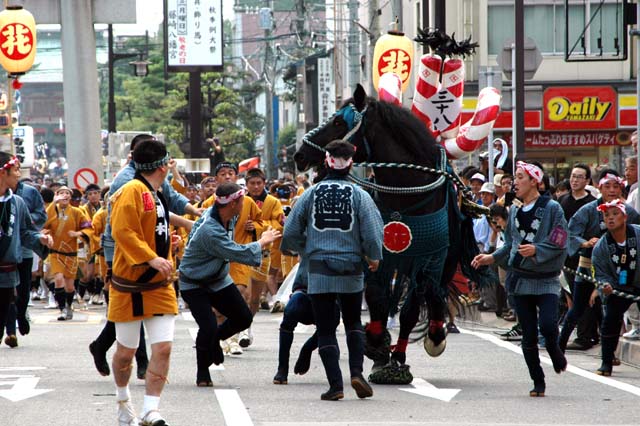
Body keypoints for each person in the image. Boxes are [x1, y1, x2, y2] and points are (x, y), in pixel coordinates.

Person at [89, 134, 199, 381]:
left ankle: (132, 358)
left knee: (140, 305)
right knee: (131, 302)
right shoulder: (128, 184)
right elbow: (123, 230)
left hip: (150, 249)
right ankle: (134, 361)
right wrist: (151, 257)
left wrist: (193, 214)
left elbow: (167, 203)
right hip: (119, 247)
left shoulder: (154, 182)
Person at [281, 140, 384, 401]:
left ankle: (335, 386)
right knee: (352, 323)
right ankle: (357, 372)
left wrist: (305, 249)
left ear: (327, 161)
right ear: (351, 162)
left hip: (318, 269)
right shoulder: (360, 195)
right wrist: (374, 258)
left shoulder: (311, 194)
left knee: (326, 328)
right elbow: (373, 234)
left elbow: (291, 232)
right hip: (351, 267)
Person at [472, 160, 568, 397]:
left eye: (520, 177)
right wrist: (490, 258)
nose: (515, 182)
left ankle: (555, 350)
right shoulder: (513, 210)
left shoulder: (552, 207)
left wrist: (538, 250)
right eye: (515, 177)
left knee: (547, 325)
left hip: (545, 279)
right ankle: (538, 380)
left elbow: (561, 238)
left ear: (534, 181)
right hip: (521, 279)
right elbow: (511, 246)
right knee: (528, 333)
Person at [179, 182, 281, 386]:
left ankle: (215, 341)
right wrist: (263, 241)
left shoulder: (228, 216)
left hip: (217, 277)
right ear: (233, 203)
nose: (244, 204)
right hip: (193, 282)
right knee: (207, 326)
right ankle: (202, 372)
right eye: (242, 200)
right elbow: (236, 252)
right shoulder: (210, 228)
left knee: (243, 317)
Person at [108, 138, 179, 426]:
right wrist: (152, 258)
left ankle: (151, 409)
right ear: (163, 166)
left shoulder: (155, 191)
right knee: (126, 353)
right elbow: (122, 231)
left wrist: (165, 246)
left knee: (163, 347)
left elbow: (149, 228)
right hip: (131, 285)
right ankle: (123, 399)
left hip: (159, 284)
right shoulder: (133, 190)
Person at [559, 169, 640, 352]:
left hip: (620, 267)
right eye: (607, 186)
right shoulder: (589, 210)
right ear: (599, 187)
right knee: (578, 306)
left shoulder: (628, 211)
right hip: (588, 264)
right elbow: (571, 232)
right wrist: (585, 242)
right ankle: (560, 344)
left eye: (616, 186)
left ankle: (609, 353)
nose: (612, 190)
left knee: (613, 308)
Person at [201, 162, 264, 353]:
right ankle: (223, 337)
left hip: (239, 255)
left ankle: (235, 337)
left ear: (236, 177)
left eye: (231, 173)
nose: (227, 176)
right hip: (216, 258)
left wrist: (256, 228)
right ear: (216, 178)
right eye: (222, 174)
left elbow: (261, 221)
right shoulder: (208, 204)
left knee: (240, 293)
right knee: (219, 303)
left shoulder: (248, 202)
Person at [0, 153, 52, 346]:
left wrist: (41, 238)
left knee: (15, 297)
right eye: (15, 169)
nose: (18, 173)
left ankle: (16, 322)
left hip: (11, 263)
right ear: (2, 172)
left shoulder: (19, 201)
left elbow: (28, 230)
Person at [591, 199, 640, 376]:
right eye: (606, 215)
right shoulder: (601, 247)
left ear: (625, 217)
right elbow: (600, 272)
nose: (610, 218)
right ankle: (606, 362)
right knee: (610, 320)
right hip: (618, 287)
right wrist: (605, 285)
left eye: (615, 214)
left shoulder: (638, 234)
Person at [43, 185, 92, 321]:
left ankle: (69, 305)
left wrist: (78, 233)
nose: (64, 195)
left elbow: (88, 227)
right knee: (58, 280)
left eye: (67, 193)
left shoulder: (77, 212)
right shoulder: (51, 210)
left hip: (71, 252)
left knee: (70, 286)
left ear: (70, 197)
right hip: (56, 252)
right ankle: (62, 308)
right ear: (56, 195)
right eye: (61, 193)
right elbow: (44, 224)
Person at [245, 167, 285, 312]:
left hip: (265, 253)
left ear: (264, 183)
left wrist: (256, 226)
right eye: (252, 183)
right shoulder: (240, 200)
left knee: (255, 298)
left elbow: (279, 225)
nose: (256, 187)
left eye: (259, 183)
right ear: (246, 184)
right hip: (244, 251)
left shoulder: (273, 202)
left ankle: (247, 325)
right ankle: (243, 329)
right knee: (246, 294)